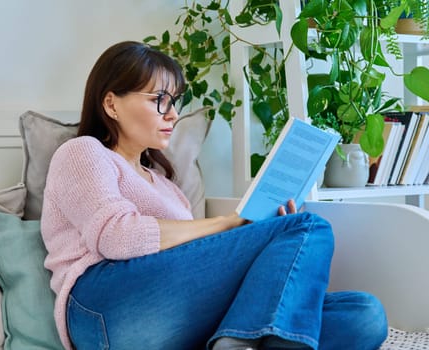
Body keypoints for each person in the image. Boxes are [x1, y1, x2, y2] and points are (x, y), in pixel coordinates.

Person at [40, 40, 388, 350]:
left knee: (364, 315)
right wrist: (227, 223)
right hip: (105, 312)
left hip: (180, 317)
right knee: (308, 227)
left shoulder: (168, 188)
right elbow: (117, 237)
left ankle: (239, 340)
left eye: (174, 100)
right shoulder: (83, 153)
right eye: (159, 100)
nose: (173, 113)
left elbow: (201, 268)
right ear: (111, 104)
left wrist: (263, 237)